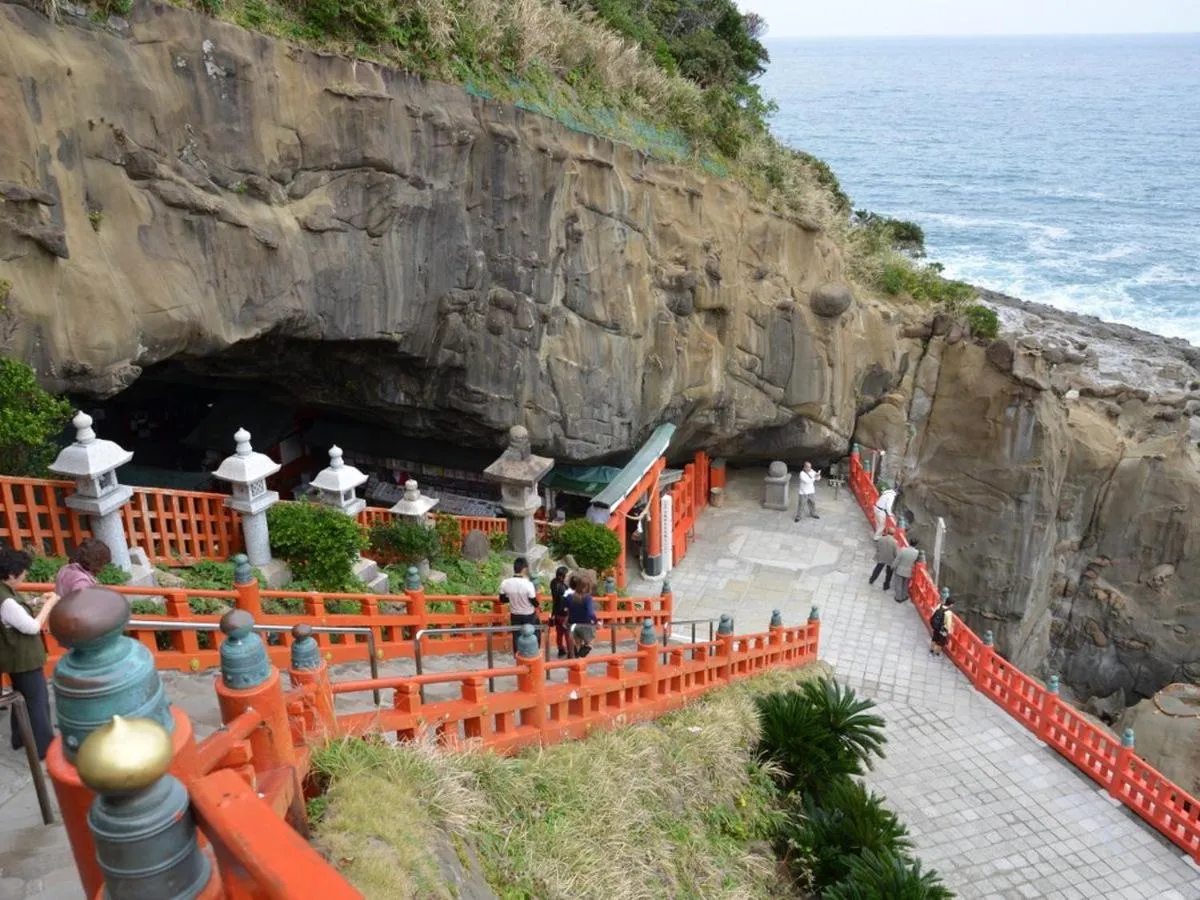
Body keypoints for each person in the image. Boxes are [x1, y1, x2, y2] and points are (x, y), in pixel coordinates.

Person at [0, 547, 60, 760]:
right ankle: (45, 747)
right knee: (37, 701)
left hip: (14, 658)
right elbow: (32, 627)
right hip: (24, 658)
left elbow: (14, 613)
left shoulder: (5, 592)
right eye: (22, 572)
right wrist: (50, 604)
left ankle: (19, 738)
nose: (25, 575)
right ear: (10, 575)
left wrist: (35, 602)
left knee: (21, 699)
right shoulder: (6, 600)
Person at [498, 557, 539, 653]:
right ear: (524, 569)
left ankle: (517, 655)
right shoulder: (528, 584)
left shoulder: (505, 583)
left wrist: (512, 598)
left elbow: (502, 599)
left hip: (515, 614)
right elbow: (533, 601)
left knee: (516, 635)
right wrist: (538, 605)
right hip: (528, 614)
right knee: (529, 635)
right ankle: (530, 654)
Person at [566, 573, 599, 658]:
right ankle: (581, 654)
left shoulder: (570, 597)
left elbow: (568, 610)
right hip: (585, 625)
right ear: (587, 587)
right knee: (590, 643)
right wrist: (596, 621)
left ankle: (575, 657)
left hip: (573, 624)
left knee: (577, 644)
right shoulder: (587, 598)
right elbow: (590, 613)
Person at [550, 566, 571, 659]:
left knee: (559, 633)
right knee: (567, 633)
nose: (567, 577)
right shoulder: (563, 587)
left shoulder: (553, 582)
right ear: (562, 576)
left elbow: (556, 600)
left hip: (556, 612)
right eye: (566, 575)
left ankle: (561, 650)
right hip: (564, 613)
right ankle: (570, 652)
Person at [892, 539, 920, 604]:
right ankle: (904, 596)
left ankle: (898, 598)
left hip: (900, 569)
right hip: (908, 570)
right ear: (916, 545)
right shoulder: (917, 552)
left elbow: (897, 560)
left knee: (898, 584)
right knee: (905, 585)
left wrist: (893, 566)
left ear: (909, 542)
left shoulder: (903, 550)